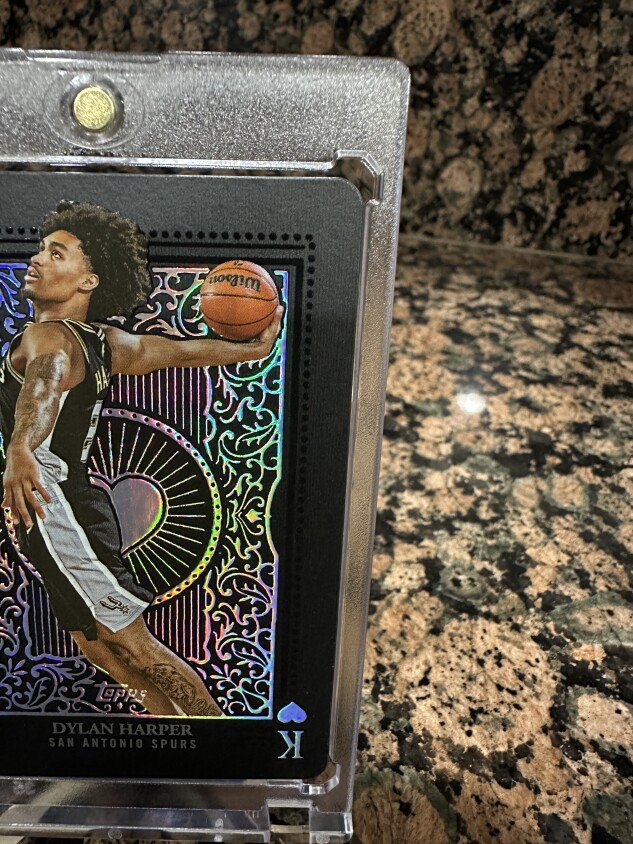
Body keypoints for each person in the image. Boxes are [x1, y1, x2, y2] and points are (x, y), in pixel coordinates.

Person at [0, 201, 282, 717]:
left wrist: (21, 445)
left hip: (56, 505)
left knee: (131, 643)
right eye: (41, 249)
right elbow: (175, 351)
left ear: (89, 281)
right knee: (98, 648)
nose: (37, 259)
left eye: (57, 254)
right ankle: (176, 738)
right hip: (55, 507)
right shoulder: (106, 343)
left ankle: (223, 742)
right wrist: (249, 351)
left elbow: (44, 384)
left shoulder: (50, 337)